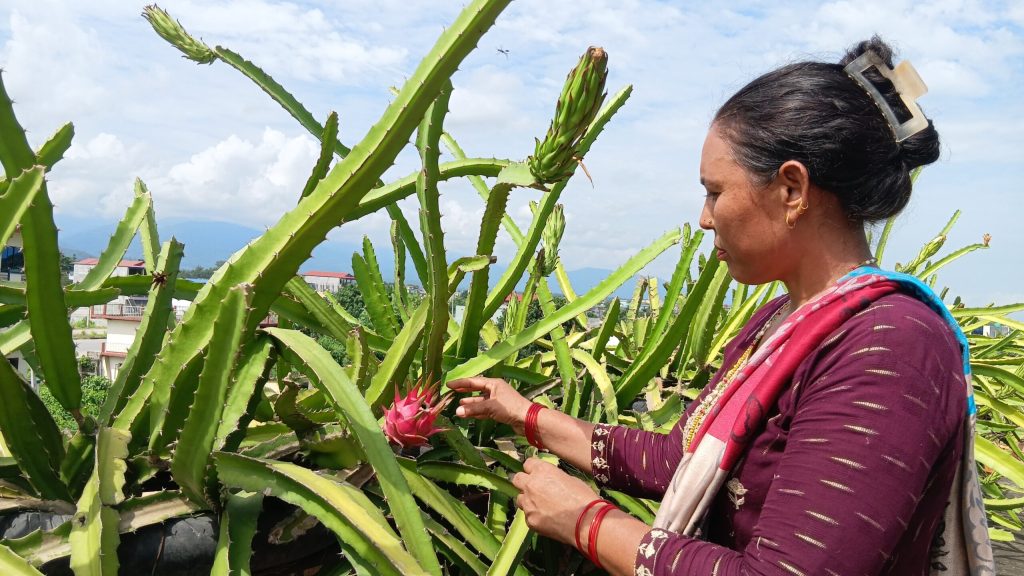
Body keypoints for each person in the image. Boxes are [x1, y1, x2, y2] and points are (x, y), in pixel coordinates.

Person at [448, 36, 995, 576]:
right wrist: (524, 413)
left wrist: (586, 521)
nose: (705, 218)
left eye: (715, 191)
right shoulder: (783, 323)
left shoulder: (889, 345)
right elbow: (676, 459)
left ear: (791, 189)